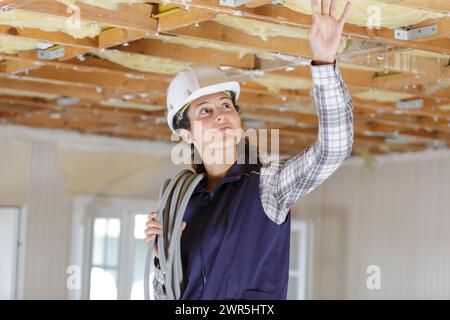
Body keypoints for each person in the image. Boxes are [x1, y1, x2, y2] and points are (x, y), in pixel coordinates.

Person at [145, 0, 353, 299]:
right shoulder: (184, 205)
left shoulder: (266, 186)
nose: (220, 114)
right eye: (204, 110)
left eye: (226, 105)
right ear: (186, 134)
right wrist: (162, 254)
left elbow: (334, 149)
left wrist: (324, 61)